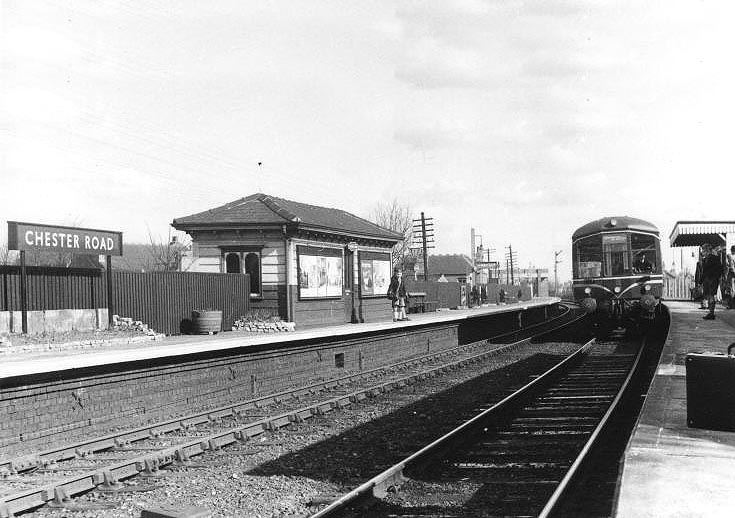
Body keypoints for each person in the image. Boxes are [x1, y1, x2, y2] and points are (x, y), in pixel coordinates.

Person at [701, 244, 723, 320]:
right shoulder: (704, 259)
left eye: (703, 250)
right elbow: (704, 272)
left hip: (713, 279)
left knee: (711, 295)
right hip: (707, 280)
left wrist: (716, 277)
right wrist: (701, 281)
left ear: (707, 251)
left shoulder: (715, 258)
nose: (702, 252)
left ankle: (711, 313)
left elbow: (720, 268)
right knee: (709, 296)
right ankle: (711, 313)